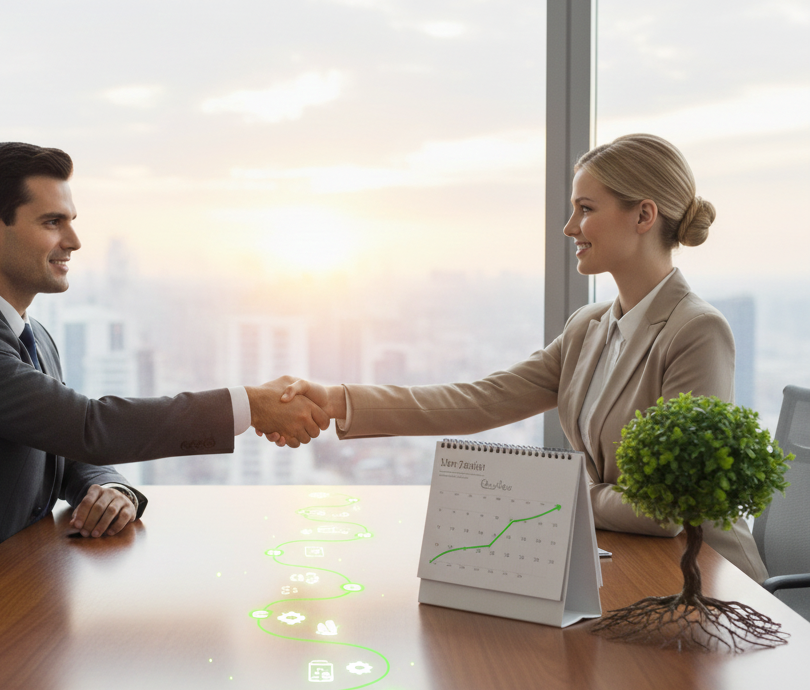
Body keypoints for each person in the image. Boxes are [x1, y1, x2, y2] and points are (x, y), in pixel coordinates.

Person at [0, 142, 327, 622]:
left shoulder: (31, 333)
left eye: (70, 221)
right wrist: (248, 404)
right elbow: (87, 426)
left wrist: (110, 487)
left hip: (7, 594)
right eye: (52, 222)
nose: (74, 241)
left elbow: (62, 446)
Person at [267, 134, 767, 580]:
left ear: (643, 215)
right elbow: (481, 400)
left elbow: (666, 511)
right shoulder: (588, 327)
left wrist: (552, 492)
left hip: (708, 580)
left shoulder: (696, 331)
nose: (570, 227)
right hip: (635, 564)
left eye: (586, 208)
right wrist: (333, 399)